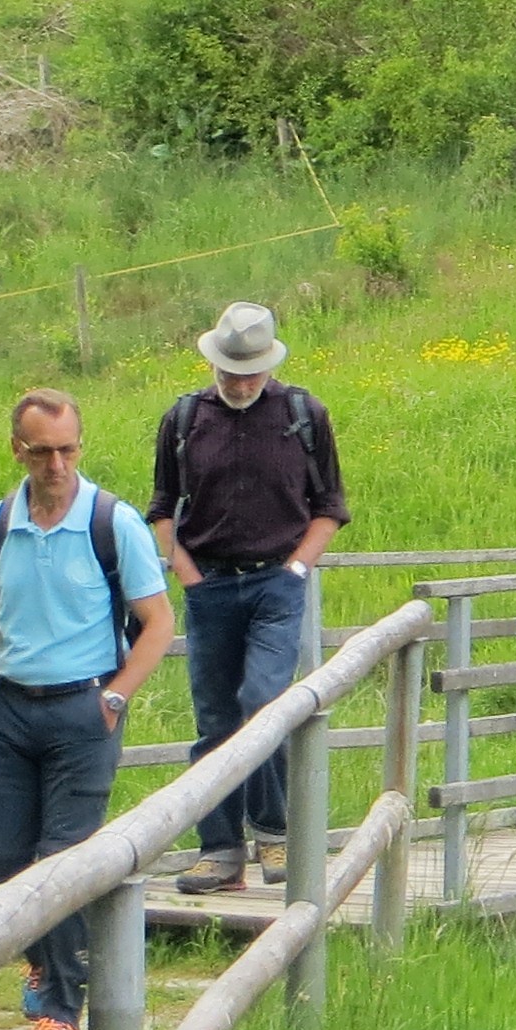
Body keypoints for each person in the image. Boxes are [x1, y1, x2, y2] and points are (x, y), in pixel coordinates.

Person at [0, 389, 173, 1030]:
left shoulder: (113, 521)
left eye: (68, 449)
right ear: (18, 450)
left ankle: (61, 1014)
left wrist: (118, 697)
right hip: (10, 705)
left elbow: (158, 623)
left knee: (62, 861)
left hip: (84, 707)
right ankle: (45, 962)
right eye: (43, 451)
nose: (58, 464)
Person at [151, 301, 350, 897]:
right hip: (208, 583)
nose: (240, 383)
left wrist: (295, 569)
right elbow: (162, 508)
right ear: (212, 363)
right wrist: (185, 572)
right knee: (215, 718)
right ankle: (220, 853)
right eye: (230, 371)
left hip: (275, 585)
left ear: (270, 366)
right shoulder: (185, 418)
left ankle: (273, 833)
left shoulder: (302, 414)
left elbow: (331, 508)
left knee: (263, 700)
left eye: (251, 372)